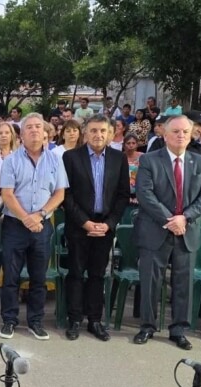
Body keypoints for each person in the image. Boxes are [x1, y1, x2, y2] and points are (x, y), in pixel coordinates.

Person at [133, 115, 201, 350]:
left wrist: (184, 218)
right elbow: (144, 193)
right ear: (165, 135)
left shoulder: (199, 162)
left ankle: (178, 330)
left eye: (185, 132)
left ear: (191, 135)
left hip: (186, 230)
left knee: (183, 283)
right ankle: (147, 326)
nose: (181, 135)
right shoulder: (149, 160)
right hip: (155, 229)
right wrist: (170, 220)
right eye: (176, 131)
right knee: (150, 281)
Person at [0, 113, 69, 340]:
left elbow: (59, 194)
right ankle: (9, 320)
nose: (35, 130)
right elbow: (7, 194)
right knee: (11, 276)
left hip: (42, 224)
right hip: (14, 225)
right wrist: (26, 218)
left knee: (39, 277)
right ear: (22, 133)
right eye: (29, 127)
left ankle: (35, 321)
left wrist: (40, 215)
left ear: (45, 132)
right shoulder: (11, 160)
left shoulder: (55, 160)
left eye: (39, 126)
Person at [62, 115, 131, 341]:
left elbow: (123, 195)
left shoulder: (119, 158)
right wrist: (85, 222)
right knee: (75, 273)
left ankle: (94, 320)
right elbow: (66, 194)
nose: (98, 135)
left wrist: (108, 224)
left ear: (110, 133)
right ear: (85, 133)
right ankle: (74, 319)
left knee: (97, 274)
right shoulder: (71, 157)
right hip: (79, 225)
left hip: (105, 226)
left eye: (103, 131)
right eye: (93, 130)